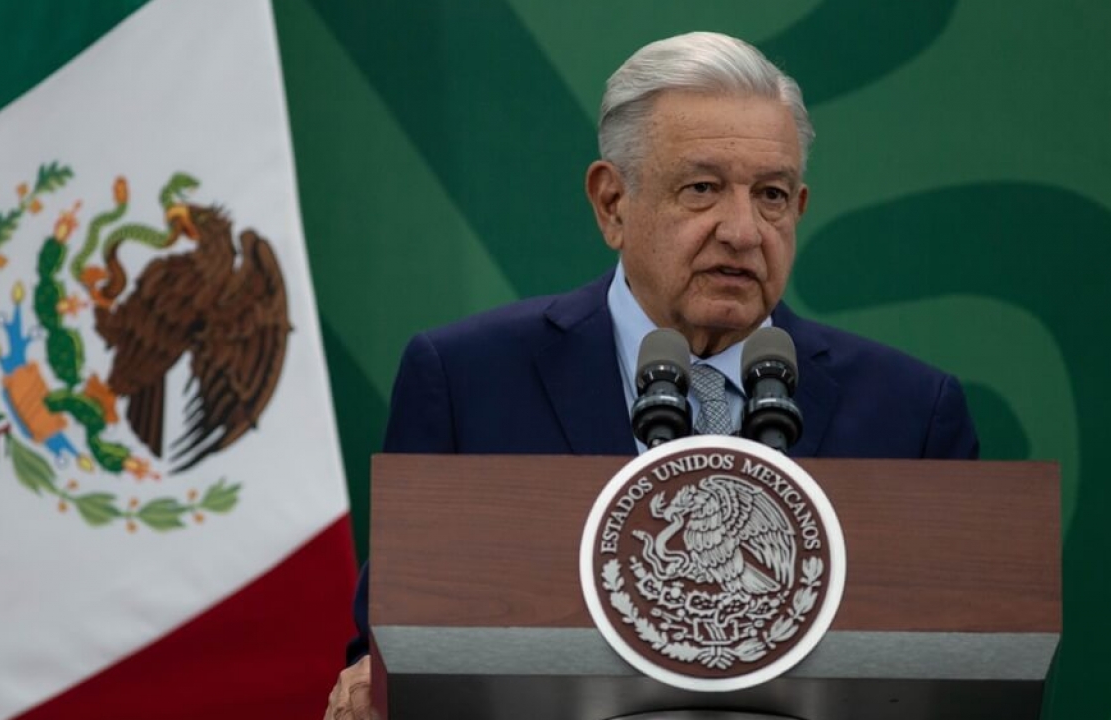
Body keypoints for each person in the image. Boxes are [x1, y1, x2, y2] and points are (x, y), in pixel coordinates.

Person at [323, 31, 978, 720]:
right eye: (702, 189)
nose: (743, 230)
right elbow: (390, 656)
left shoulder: (912, 415)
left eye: (772, 196)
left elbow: (967, 668)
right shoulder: (467, 381)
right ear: (612, 204)